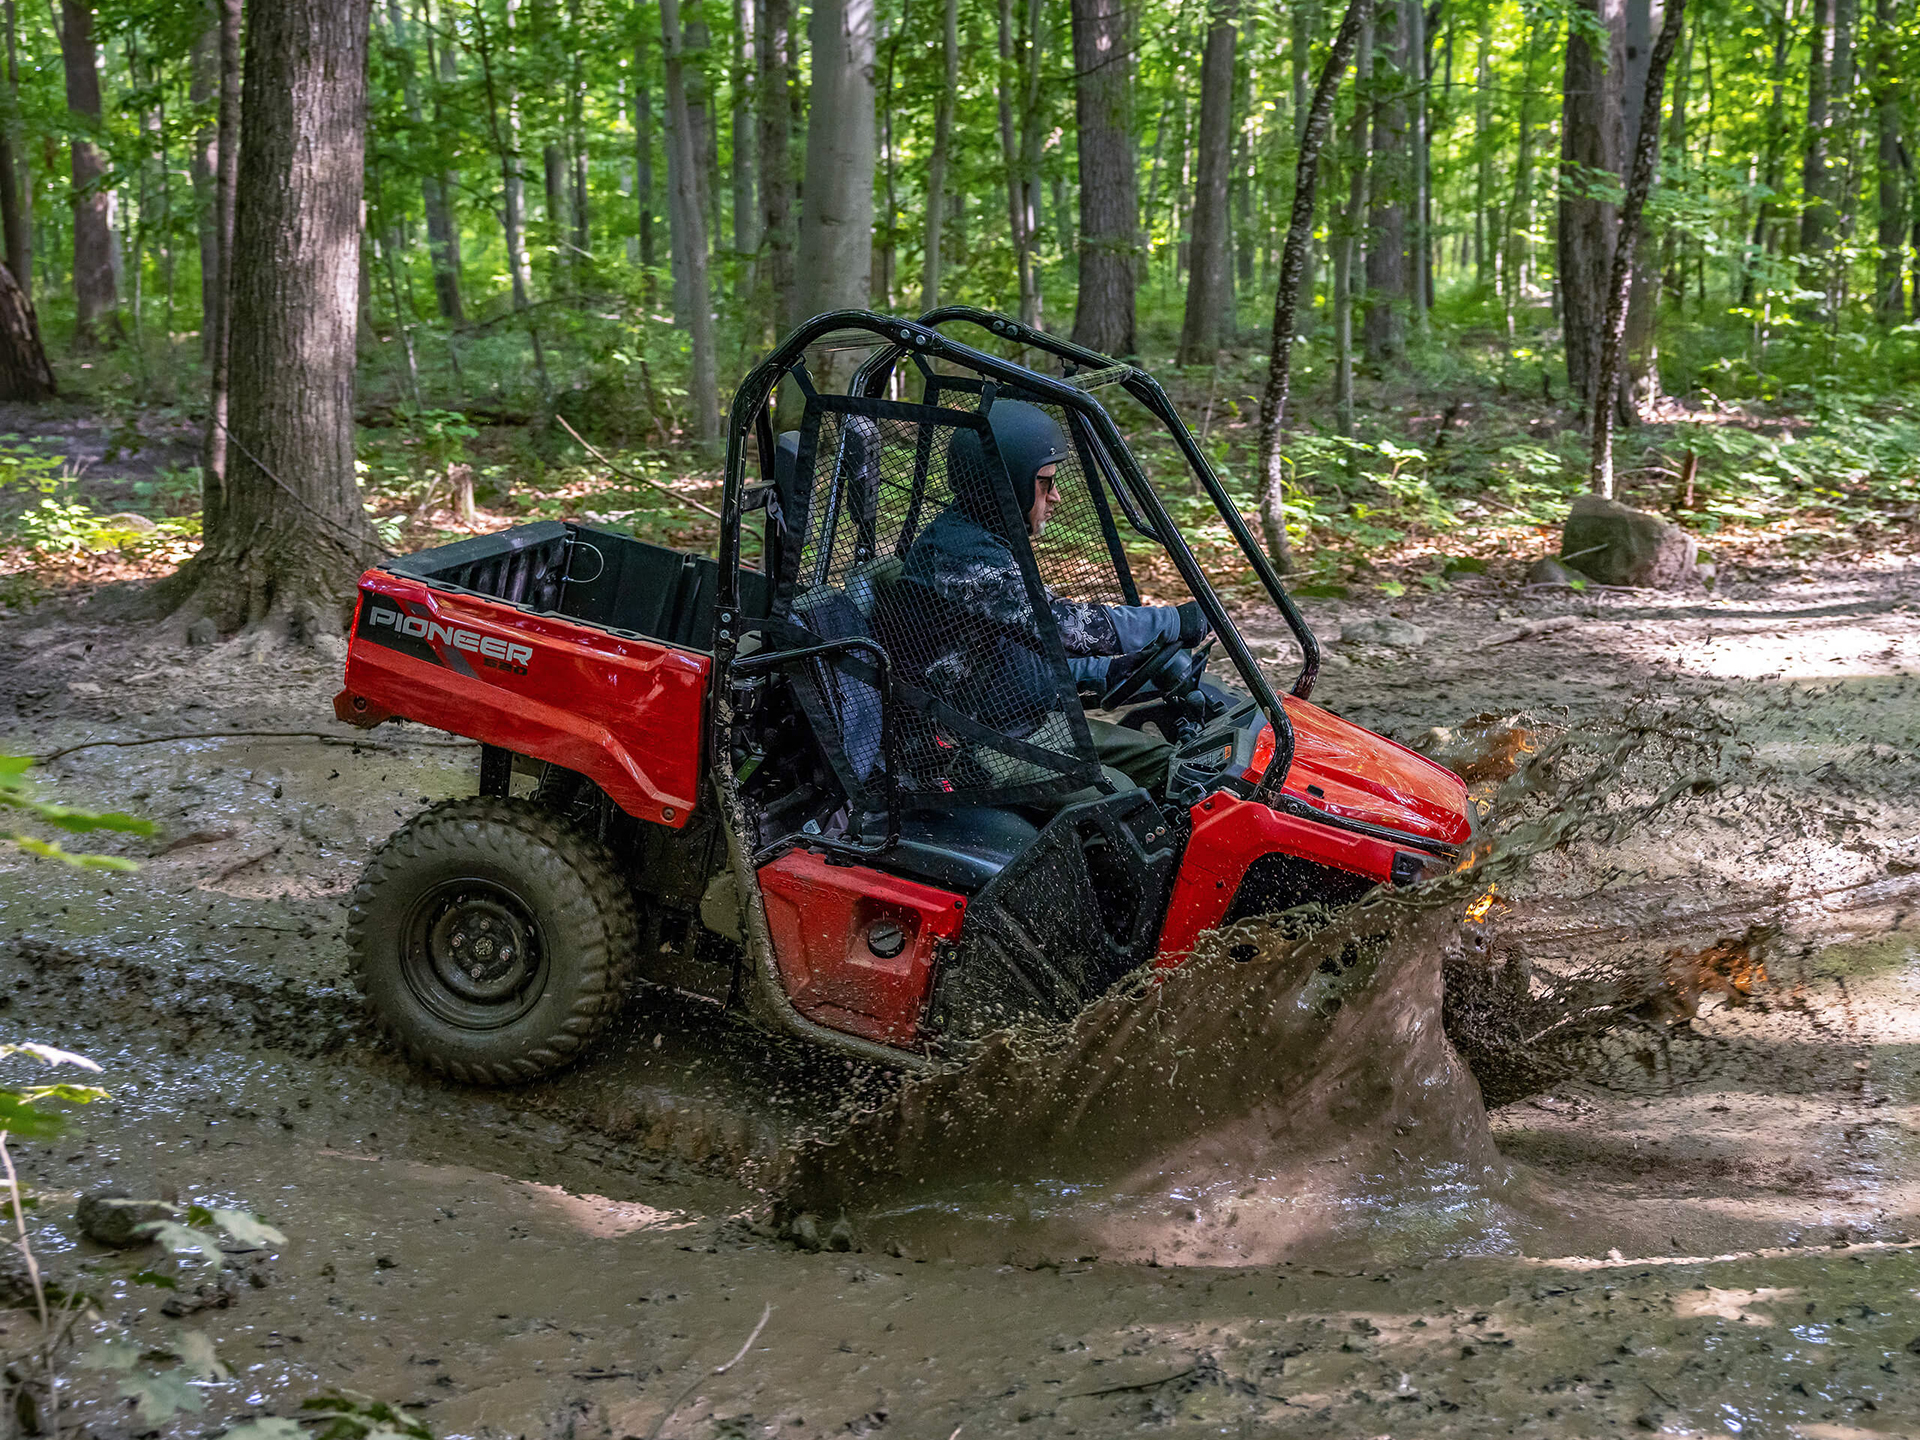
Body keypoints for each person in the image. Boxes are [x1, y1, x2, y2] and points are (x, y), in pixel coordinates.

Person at [892, 400, 1209, 795]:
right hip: (970, 749)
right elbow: (1061, 626)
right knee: (1125, 798)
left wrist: (1106, 672)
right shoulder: (961, 558)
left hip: (1019, 720)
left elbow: (1015, 652)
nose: (1056, 496)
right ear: (1007, 483)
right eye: (1045, 483)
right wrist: (1172, 621)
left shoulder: (986, 538)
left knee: (1171, 765)